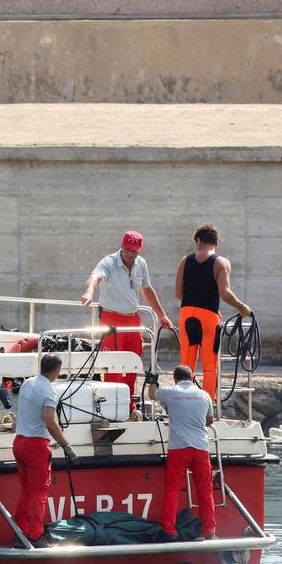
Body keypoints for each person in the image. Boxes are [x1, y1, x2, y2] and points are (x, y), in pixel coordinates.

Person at [79, 231, 174, 399]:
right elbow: (95, 277)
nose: (130, 254)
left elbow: (147, 289)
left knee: (133, 363)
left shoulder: (141, 263)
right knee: (112, 365)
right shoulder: (108, 262)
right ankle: (109, 404)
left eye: (134, 251)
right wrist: (89, 292)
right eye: (128, 249)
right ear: (122, 246)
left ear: (139, 250)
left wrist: (161, 315)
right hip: (111, 319)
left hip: (133, 320)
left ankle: (128, 403)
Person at [175, 222, 252, 401]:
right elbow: (225, 293)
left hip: (186, 315)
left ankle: (183, 402)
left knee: (186, 365)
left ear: (199, 241)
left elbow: (178, 294)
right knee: (210, 367)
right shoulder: (221, 262)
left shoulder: (185, 261)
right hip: (208, 318)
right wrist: (243, 308)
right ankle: (206, 408)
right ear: (215, 243)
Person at [12, 353, 79, 545]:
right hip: (36, 446)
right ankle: (36, 535)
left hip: (19, 442)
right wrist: (67, 446)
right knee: (39, 493)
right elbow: (50, 422)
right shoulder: (49, 391)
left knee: (26, 490)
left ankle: (21, 532)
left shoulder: (27, 383)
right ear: (57, 370)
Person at [147, 364, 217, 540]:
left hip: (179, 449)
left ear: (175, 379)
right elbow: (209, 421)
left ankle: (169, 531)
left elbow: (152, 394)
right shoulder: (204, 395)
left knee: (172, 490)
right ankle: (209, 532)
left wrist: (153, 381)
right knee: (205, 491)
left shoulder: (171, 391)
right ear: (192, 378)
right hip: (201, 449)